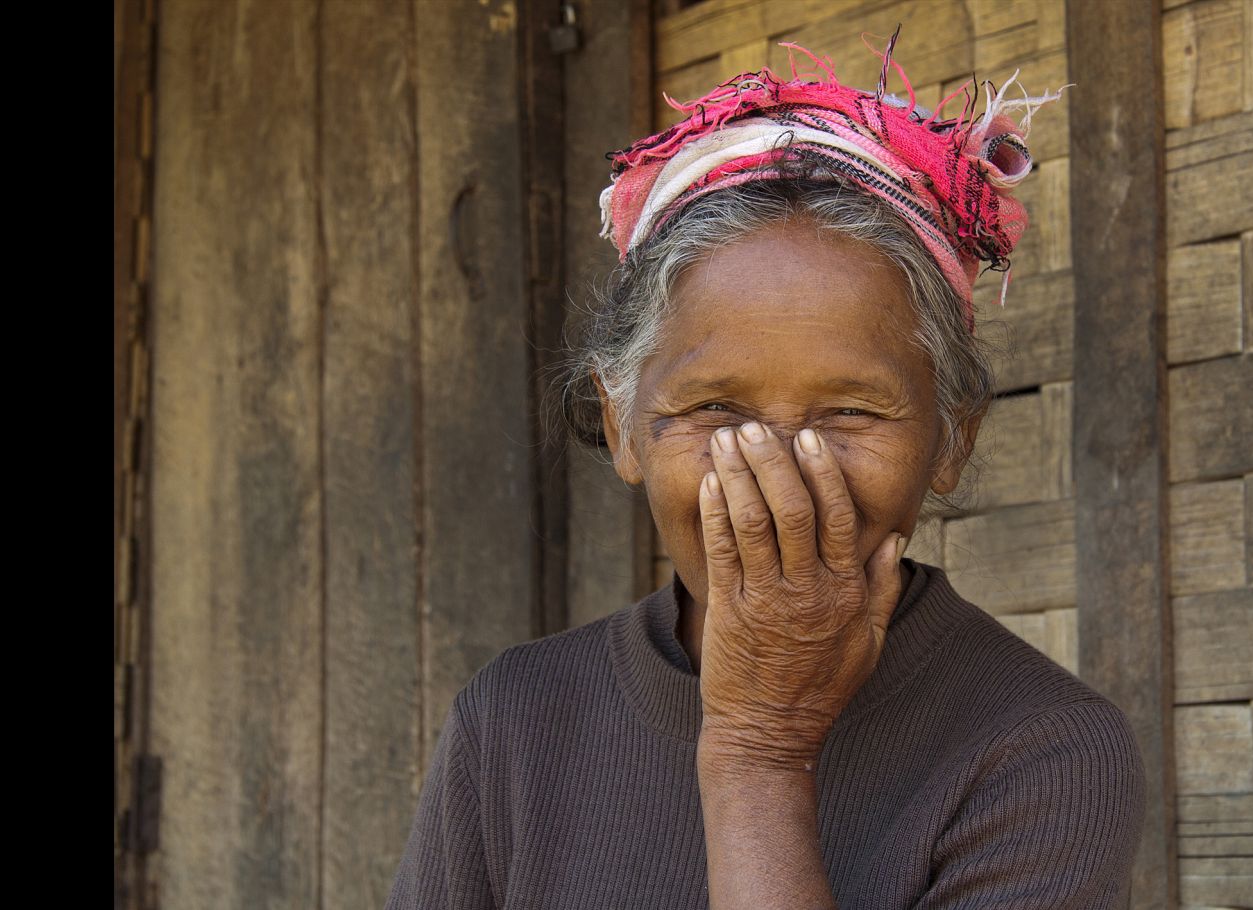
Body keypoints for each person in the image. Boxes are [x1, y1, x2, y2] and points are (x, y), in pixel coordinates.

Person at [385, 36, 1145, 910]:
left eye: (850, 413)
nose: (776, 472)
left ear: (951, 437)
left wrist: (759, 753)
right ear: (623, 424)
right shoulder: (515, 724)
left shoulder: (1040, 752)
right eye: (714, 410)